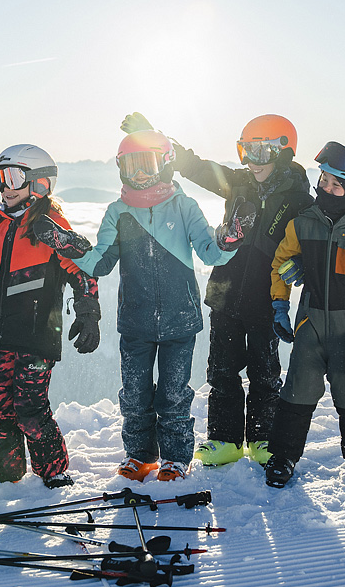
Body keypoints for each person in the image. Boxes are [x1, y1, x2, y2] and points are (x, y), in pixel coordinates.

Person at [121, 113, 312, 469]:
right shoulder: (238, 183)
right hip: (225, 293)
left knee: (264, 371)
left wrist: (304, 261)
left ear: (284, 152)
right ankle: (225, 440)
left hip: (266, 297)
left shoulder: (301, 200)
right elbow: (195, 166)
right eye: (245, 151)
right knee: (222, 371)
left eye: (261, 152)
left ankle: (262, 437)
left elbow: (315, 238)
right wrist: (152, 140)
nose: (252, 162)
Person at [73, 129, 244, 482]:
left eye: (147, 164)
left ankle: (176, 458)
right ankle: (140, 456)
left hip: (180, 320)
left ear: (165, 164)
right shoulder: (118, 212)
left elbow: (210, 253)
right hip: (135, 321)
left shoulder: (184, 206)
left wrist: (227, 241)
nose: (138, 174)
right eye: (130, 166)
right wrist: (70, 247)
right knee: (134, 395)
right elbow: (100, 263)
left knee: (173, 394)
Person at [0, 144, 100, 495]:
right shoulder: (0, 227)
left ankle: (54, 474)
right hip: (1, 337)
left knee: (30, 408)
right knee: (1, 410)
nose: (5, 187)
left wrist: (88, 312)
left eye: (14, 177)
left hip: (36, 336)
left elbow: (82, 269)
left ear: (40, 183)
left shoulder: (49, 226)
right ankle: (5, 475)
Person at [265, 142, 345, 488]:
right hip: (309, 324)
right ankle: (283, 456)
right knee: (297, 391)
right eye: (323, 180)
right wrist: (280, 304)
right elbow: (281, 263)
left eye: (337, 185)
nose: (326, 189)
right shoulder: (302, 225)